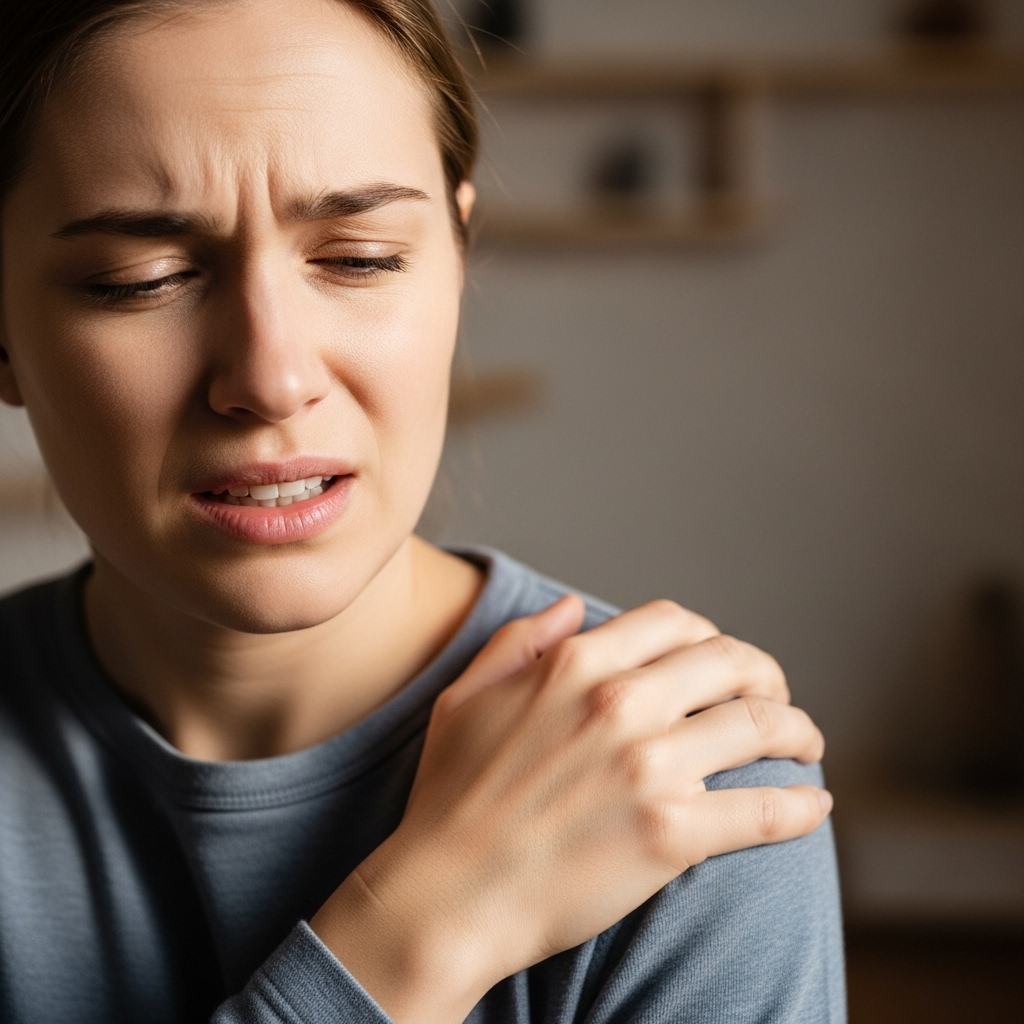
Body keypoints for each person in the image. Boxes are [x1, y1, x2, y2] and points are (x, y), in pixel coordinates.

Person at [0, 1, 844, 1022]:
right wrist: (423, 933)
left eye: (359, 258)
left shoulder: (677, 788)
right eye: (145, 279)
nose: (271, 377)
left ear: (456, 254)